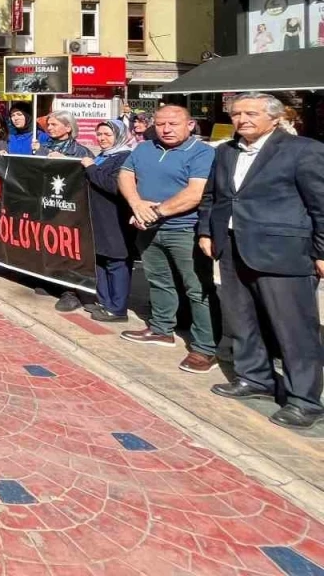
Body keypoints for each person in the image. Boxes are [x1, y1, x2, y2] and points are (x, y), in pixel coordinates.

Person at [198, 93, 324, 430]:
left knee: (294, 329)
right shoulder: (225, 151)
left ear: (275, 117)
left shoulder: (304, 150)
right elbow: (213, 197)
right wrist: (206, 232)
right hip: (233, 247)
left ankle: (304, 400)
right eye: (236, 113)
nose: (242, 120)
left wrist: (322, 251)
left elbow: (320, 205)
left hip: (283, 253)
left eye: (251, 113)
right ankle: (255, 378)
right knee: (242, 321)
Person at [118, 104, 220, 373]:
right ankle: (162, 328)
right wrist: (136, 203)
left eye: (174, 124)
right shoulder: (144, 148)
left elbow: (195, 193)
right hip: (147, 228)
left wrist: (153, 212)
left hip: (184, 229)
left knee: (198, 288)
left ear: (190, 125)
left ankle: (204, 348)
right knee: (159, 280)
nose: (166, 129)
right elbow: (126, 175)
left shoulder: (202, 152)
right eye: (161, 123)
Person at [78, 120, 137, 322]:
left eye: (107, 134)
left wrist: (92, 168)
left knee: (116, 262)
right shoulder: (103, 156)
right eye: (99, 134)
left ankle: (117, 308)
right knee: (100, 260)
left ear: (119, 136)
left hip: (114, 219)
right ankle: (104, 302)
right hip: (97, 218)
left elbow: (113, 185)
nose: (102, 138)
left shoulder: (125, 157)